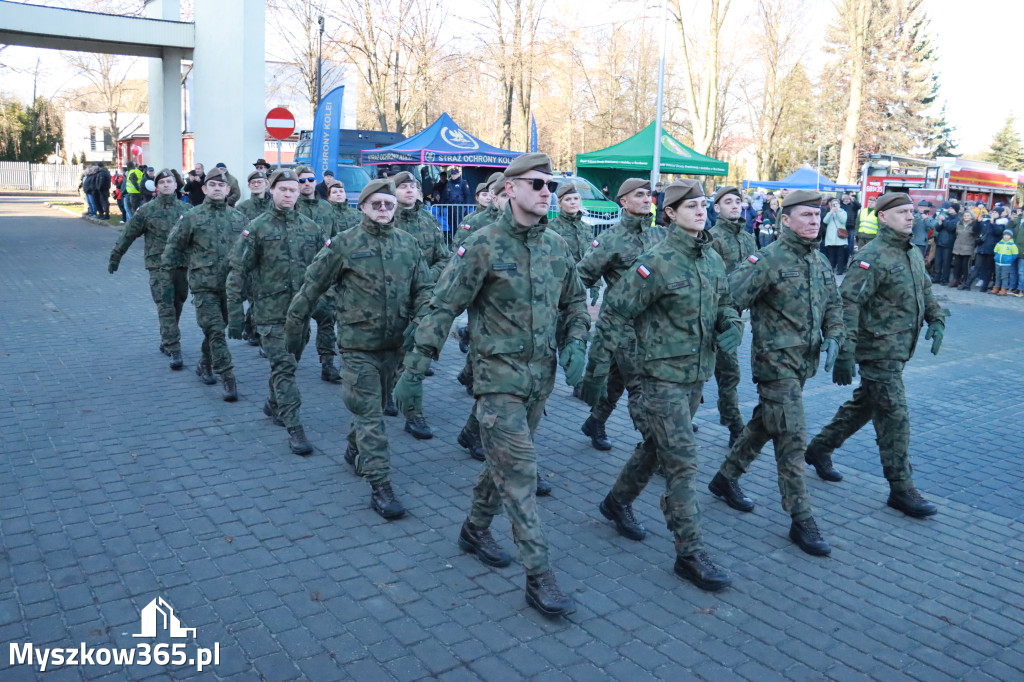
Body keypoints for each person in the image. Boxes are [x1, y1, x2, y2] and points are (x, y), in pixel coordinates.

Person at [392, 153, 588, 617]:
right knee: (521, 473)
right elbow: (443, 306)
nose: (547, 193)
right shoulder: (483, 244)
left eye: (552, 187)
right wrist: (415, 367)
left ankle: (474, 529)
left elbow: (576, 301)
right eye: (537, 184)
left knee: (502, 464)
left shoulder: (557, 246)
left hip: (540, 377)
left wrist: (577, 341)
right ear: (511, 189)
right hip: (497, 378)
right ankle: (539, 576)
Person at [581, 179, 742, 591]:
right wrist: (596, 372)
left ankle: (616, 503)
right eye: (691, 206)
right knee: (683, 461)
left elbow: (725, 303)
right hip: (658, 378)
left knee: (655, 449)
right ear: (670, 213)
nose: (701, 211)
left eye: (704, 204)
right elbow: (614, 314)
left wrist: (732, 324)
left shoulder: (711, 259)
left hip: (695, 376)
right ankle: (689, 553)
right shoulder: (656, 261)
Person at [709, 189, 845, 557]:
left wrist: (834, 336)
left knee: (766, 423)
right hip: (774, 365)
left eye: (817, 216)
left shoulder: (818, 262)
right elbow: (727, 299)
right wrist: (730, 326)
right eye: (805, 216)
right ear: (785, 220)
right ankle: (801, 518)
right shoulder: (766, 260)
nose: (813, 222)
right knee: (792, 437)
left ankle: (725, 478)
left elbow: (834, 304)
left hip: (803, 365)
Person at [287, 178, 433, 519]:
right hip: (358, 347)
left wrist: (421, 320)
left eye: (389, 205)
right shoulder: (344, 244)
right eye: (376, 204)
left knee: (376, 409)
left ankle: (354, 448)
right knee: (372, 417)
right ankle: (380, 485)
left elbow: (425, 288)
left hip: (396, 346)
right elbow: (312, 287)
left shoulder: (408, 244)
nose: (383, 210)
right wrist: (294, 329)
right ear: (363, 207)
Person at [805, 192, 948, 518]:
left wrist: (936, 318)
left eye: (911, 211)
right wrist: (845, 351)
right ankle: (901, 488)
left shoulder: (911, 251)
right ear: (883, 217)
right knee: (894, 416)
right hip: (877, 351)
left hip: (898, 348)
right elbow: (848, 305)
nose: (910, 217)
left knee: (865, 405)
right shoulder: (872, 256)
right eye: (901, 212)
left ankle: (819, 448)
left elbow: (924, 288)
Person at [226, 169, 326, 455]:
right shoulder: (256, 228)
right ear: (272, 191)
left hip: (300, 314)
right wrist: (235, 313)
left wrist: (328, 301)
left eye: (293, 190)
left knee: (288, 364)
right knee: (284, 366)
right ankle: (294, 428)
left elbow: (324, 269)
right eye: (282, 189)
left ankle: (273, 404)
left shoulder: (311, 227)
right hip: (269, 314)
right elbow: (238, 271)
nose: (288, 194)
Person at [576, 178, 665, 451]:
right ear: (623, 202)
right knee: (640, 385)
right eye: (638, 195)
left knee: (616, 380)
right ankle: (657, 449)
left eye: (647, 195)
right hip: (622, 325)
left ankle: (595, 421)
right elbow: (581, 277)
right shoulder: (609, 239)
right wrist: (576, 320)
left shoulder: (660, 235)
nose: (645, 199)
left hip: (654, 324)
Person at [161, 167, 246, 401]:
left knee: (218, 330)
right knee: (216, 330)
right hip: (203, 285)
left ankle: (205, 364)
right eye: (213, 185)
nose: (217, 189)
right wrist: (166, 278)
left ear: (228, 189)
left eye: (222, 185)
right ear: (204, 188)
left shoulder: (239, 219)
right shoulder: (192, 216)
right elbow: (173, 247)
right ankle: (228, 377)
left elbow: (249, 253)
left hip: (230, 287)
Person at [389, 171, 451, 438]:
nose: (410, 190)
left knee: (415, 357)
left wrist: (426, 278)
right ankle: (388, 392)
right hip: (388, 301)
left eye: (413, 186)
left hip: (422, 300)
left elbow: (443, 258)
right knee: (390, 354)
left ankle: (413, 413)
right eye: (403, 187)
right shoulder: (385, 219)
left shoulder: (428, 220)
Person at [108, 168, 189, 370]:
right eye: (162, 183)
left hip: (181, 265)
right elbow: (128, 234)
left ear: (176, 185)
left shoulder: (187, 211)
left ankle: (167, 339)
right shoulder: (147, 210)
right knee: (165, 305)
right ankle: (174, 347)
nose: (166, 185)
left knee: (178, 302)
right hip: (158, 266)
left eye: (169, 182)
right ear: (157, 186)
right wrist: (116, 256)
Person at [708, 185, 758, 445]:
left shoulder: (748, 238)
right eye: (728, 202)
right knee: (705, 374)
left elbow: (757, 273)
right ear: (717, 208)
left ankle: (734, 425)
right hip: (712, 314)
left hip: (735, 316)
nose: (735, 206)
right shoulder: (711, 237)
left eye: (738, 201)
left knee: (728, 374)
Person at [293, 166, 342, 383]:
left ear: (316, 181)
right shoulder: (291, 207)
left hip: (324, 274)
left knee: (327, 319)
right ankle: (289, 361)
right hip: (297, 274)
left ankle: (328, 363)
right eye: (301, 181)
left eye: (310, 180)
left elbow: (335, 238)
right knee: (298, 324)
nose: (306, 184)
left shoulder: (327, 208)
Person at [929, 201, 955, 285]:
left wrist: (944, 221)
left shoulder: (956, 218)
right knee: (938, 261)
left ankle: (944, 279)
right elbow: (937, 228)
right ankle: (937, 277)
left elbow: (951, 228)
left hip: (948, 243)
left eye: (951, 208)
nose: (949, 210)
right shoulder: (944, 216)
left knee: (946, 263)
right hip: (939, 241)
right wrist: (939, 223)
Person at [821, 198, 849, 272]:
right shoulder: (829, 212)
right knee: (831, 255)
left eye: (836, 204)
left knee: (840, 255)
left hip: (840, 237)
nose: (835, 206)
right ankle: (831, 269)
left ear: (839, 205)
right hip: (831, 238)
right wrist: (831, 212)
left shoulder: (843, 212)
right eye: (833, 205)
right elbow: (825, 221)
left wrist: (837, 212)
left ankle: (840, 270)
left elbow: (843, 220)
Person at [951, 207, 976, 289]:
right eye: (965, 215)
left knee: (965, 266)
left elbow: (975, 235)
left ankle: (965, 281)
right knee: (956, 265)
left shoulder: (974, 225)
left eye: (968, 215)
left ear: (971, 217)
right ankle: (956, 280)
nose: (966, 217)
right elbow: (956, 234)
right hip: (958, 247)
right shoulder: (959, 224)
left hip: (968, 248)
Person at [992, 229, 1019, 295]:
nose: (1006, 236)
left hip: (1006, 264)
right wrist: (997, 257)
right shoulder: (999, 243)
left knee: (1004, 277)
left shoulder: (1012, 245)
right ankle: (996, 288)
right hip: (998, 262)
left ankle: (1003, 290)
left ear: (1011, 236)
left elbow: (1015, 254)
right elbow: (995, 251)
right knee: (997, 276)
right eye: (1005, 235)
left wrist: (1009, 259)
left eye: (1008, 235)